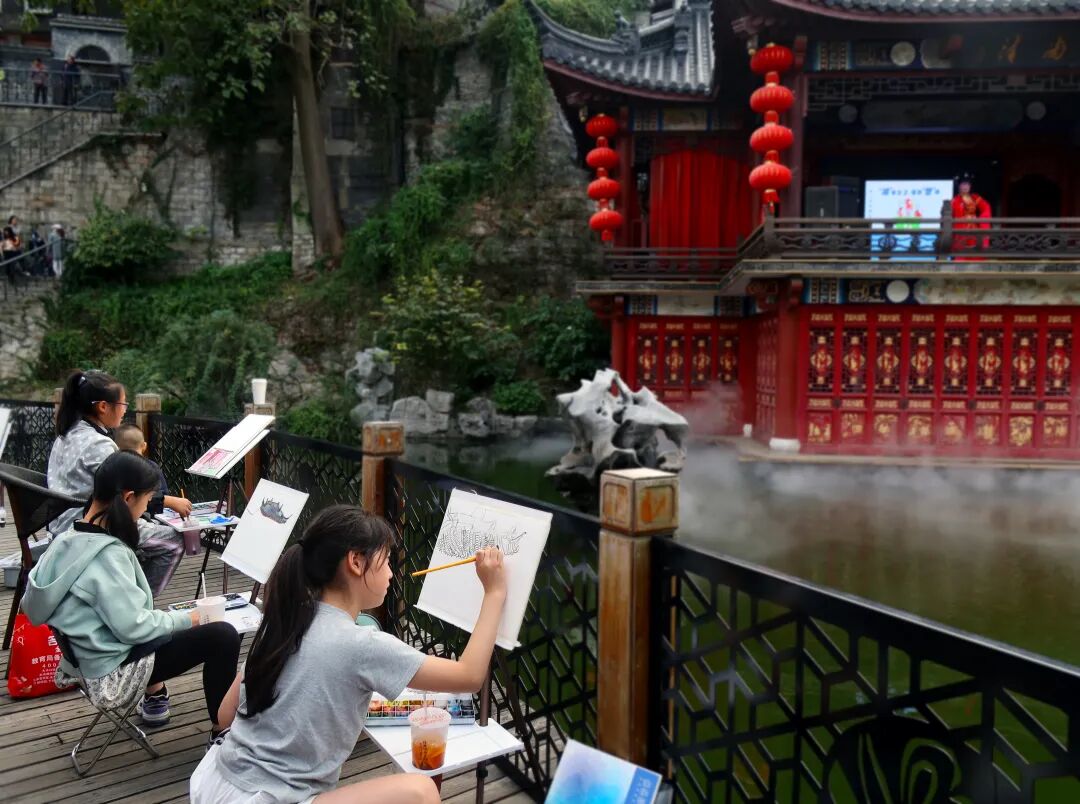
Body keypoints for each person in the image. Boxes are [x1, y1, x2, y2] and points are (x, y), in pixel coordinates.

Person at [190, 506, 508, 804]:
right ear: (356, 562)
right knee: (421, 791)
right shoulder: (361, 644)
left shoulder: (284, 620)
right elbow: (469, 676)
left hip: (214, 782)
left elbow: (225, 715)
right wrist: (494, 592)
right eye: (386, 562)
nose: (391, 574)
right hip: (266, 799)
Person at [23, 451, 241, 736]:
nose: (145, 509)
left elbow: (32, 608)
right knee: (223, 636)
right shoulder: (107, 556)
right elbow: (134, 627)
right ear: (128, 498)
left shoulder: (63, 542)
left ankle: (162, 699)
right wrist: (190, 618)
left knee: (184, 628)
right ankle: (221, 733)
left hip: (85, 662)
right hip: (114, 673)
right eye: (146, 501)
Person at [47, 369, 191, 593]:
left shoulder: (66, 434)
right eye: (123, 404)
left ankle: (122, 591)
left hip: (61, 522)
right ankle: (139, 603)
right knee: (174, 541)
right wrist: (169, 501)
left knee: (150, 526)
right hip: (88, 526)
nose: (125, 410)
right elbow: (126, 495)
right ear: (103, 407)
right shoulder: (98, 444)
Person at [114, 423, 169, 514]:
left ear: (117, 448)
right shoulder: (152, 467)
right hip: (152, 515)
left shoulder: (114, 467)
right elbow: (165, 494)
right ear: (144, 446)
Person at [951, 175, 991, 261]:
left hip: (973, 230)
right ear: (959, 186)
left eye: (968, 184)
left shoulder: (975, 197)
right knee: (961, 256)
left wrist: (981, 219)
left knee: (975, 255)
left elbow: (986, 207)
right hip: (960, 231)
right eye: (963, 184)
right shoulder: (954, 201)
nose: (966, 186)